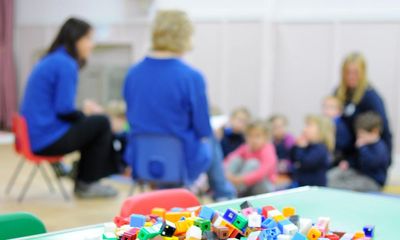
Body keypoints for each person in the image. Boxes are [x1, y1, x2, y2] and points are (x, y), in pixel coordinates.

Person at [123, 10, 235, 200]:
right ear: (184, 36)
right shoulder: (191, 77)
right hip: (181, 161)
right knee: (211, 139)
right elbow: (202, 129)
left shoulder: (132, 74)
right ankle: (223, 195)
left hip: (141, 159)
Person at [20, 18, 119, 198]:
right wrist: (86, 114)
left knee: (93, 123)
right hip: (46, 139)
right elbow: (64, 110)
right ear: (76, 39)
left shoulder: (52, 59)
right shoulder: (65, 63)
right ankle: (87, 183)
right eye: (89, 39)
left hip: (33, 136)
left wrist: (84, 115)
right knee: (102, 123)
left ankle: (81, 175)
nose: (92, 45)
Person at [334, 52, 392, 164]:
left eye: (355, 73)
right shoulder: (339, 92)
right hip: (344, 153)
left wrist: (387, 159)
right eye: (347, 72)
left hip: (364, 154)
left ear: (363, 73)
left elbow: (384, 128)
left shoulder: (370, 96)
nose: (351, 76)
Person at [328, 112, 389, 192]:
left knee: (341, 186)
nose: (359, 138)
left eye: (362, 135)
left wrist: (363, 148)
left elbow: (370, 163)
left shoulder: (380, 148)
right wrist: (348, 163)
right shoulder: (365, 144)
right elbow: (357, 161)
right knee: (331, 176)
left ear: (375, 132)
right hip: (359, 174)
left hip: (373, 181)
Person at [224, 121, 277, 197]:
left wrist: (239, 179)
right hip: (247, 186)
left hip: (264, 187)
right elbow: (230, 157)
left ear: (266, 138)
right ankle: (227, 187)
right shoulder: (247, 147)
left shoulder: (268, 150)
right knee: (237, 159)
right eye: (250, 136)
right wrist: (227, 173)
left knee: (253, 163)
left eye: (257, 136)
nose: (253, 140)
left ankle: (232, 191)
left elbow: (261, 173)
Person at [291, 115, 334, 187]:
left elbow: (306, 162)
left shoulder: (321, 149)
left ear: (321, 131)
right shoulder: (308, 146)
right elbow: (293, 158)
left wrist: (301, 148)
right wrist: (296, 146)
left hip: (315, 188)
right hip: (302, 185)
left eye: (309, 126)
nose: (304, 129)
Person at [322, 96, 352, 166]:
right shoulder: (323, 124)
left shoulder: (340, 126)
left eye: (331, 107)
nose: (327, 110)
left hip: (338, 160)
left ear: (339, 111)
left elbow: (344, 146)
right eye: (325, 107)